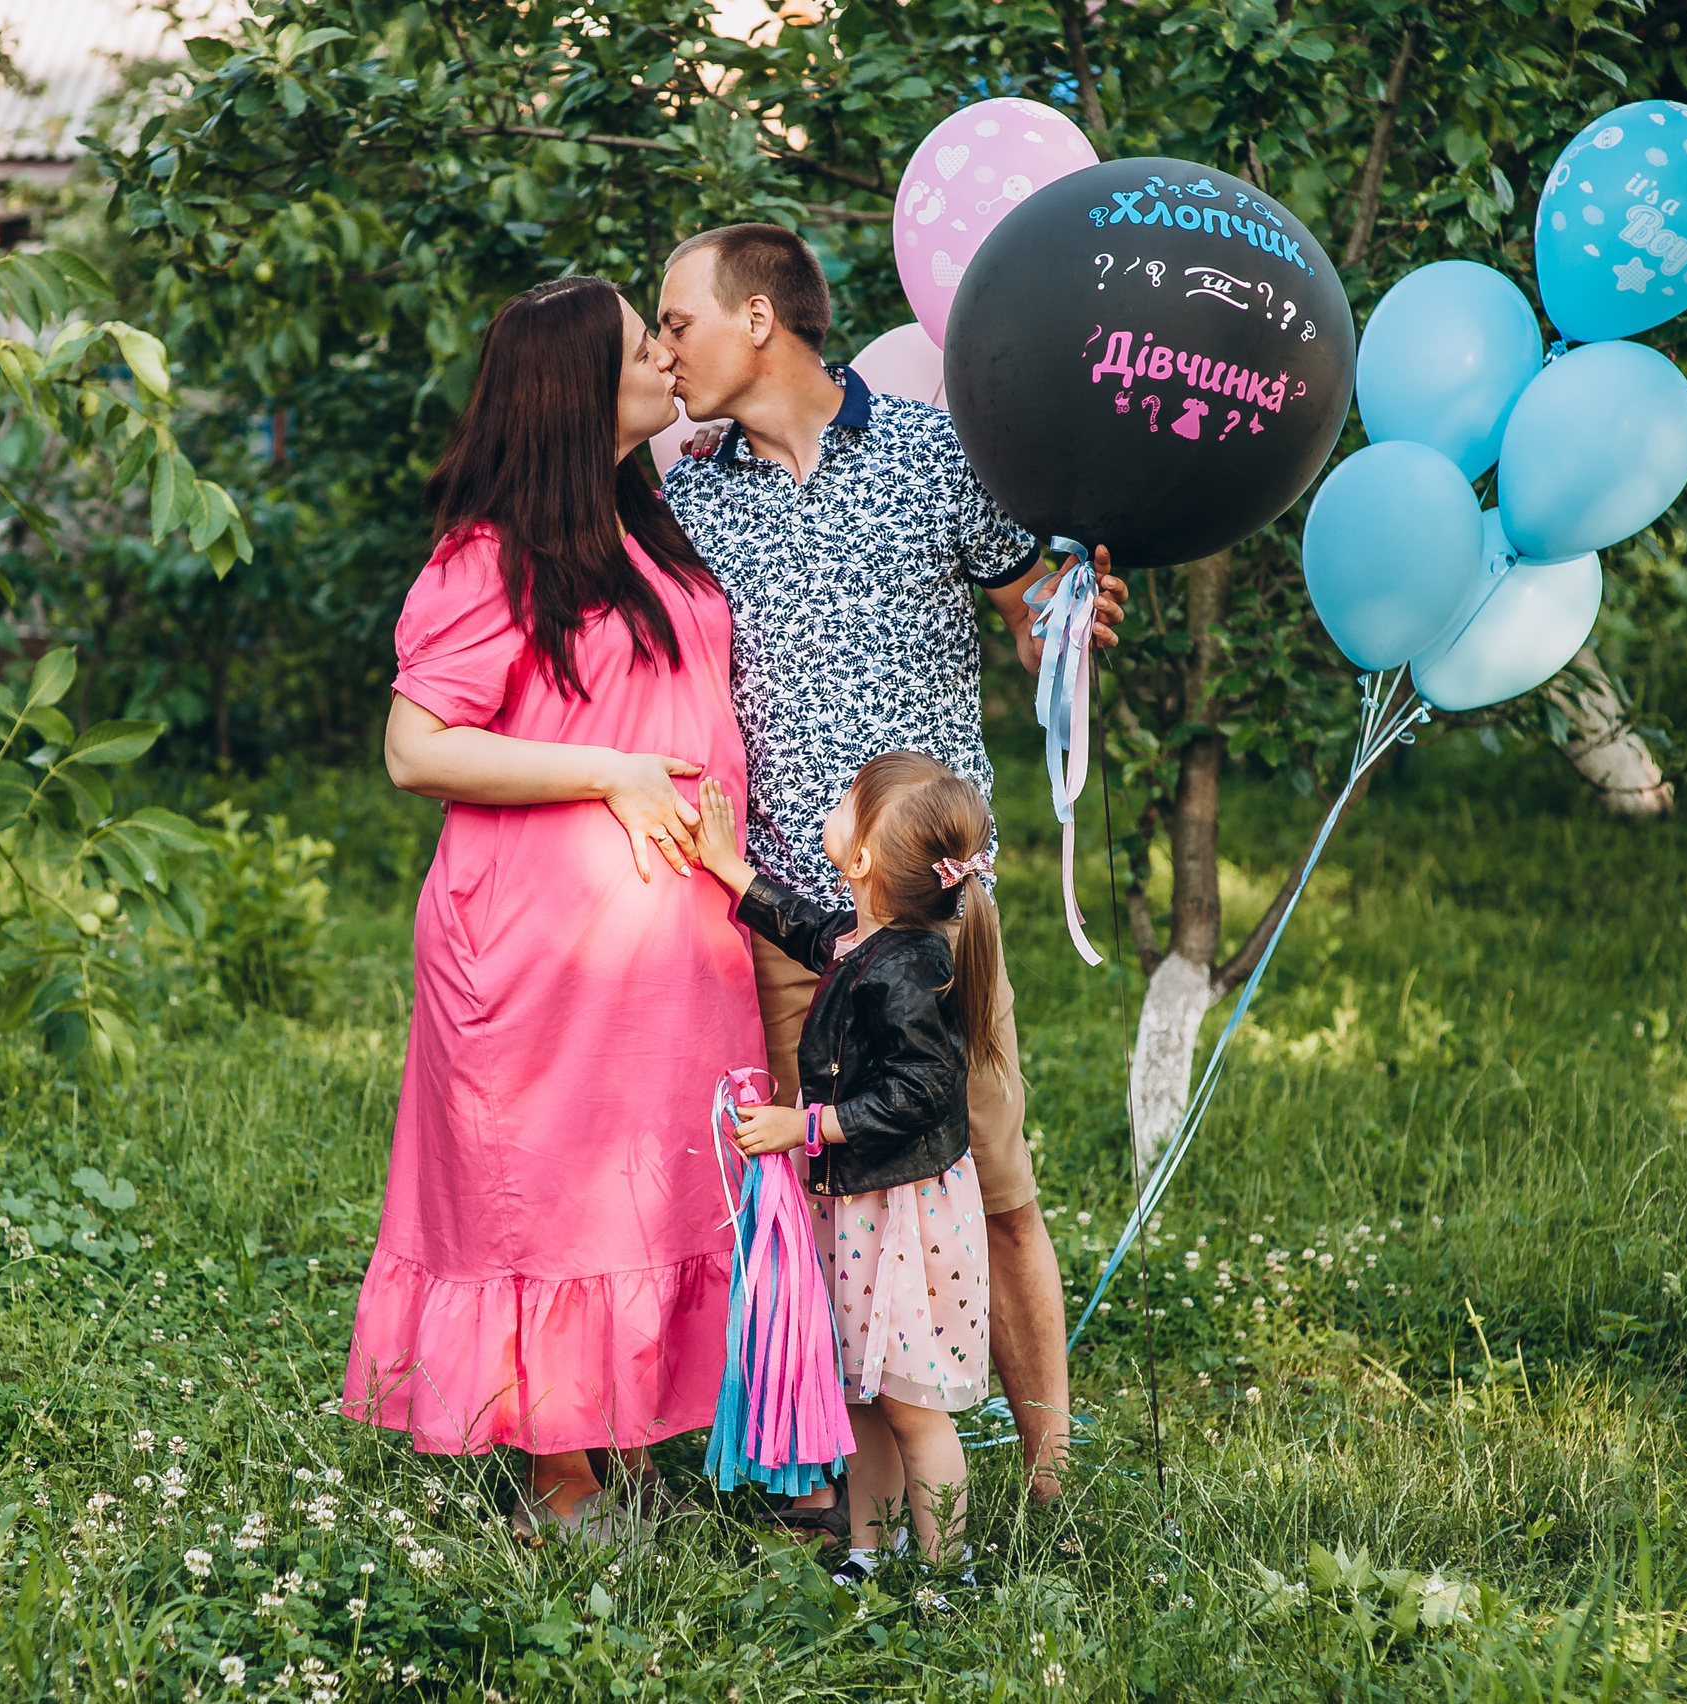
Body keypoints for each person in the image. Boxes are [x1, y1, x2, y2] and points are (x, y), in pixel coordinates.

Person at [655, 223, 1126, 1508]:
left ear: (760, 320)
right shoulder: (688, 497)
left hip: (929, 918)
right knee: (803, 1201)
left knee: (993, 1179)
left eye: (678, 320)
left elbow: (1036, 611)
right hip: (777, 918)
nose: (665, 349)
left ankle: (1048, 1476)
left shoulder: (933, 454)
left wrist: (1064, 631)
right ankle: (829, 1488)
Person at [341, 277, 763, 1542]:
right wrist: (613, 772)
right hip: (541, 938)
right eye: (647, 344)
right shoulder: (494, 551)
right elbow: (417, 749)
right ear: (582, 385)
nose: (668, 357)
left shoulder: (647, 524)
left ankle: (627, 1436)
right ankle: (559, 1472)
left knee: (655, 1184)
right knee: (556, 1191)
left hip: (671, 932)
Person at [689, 753, 1002, 1582]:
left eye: (842, 804)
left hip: (901, 1220)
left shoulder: (908, 969)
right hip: (860, 1211)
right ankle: (870, 1548)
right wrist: (732, 870)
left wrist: (808, 1124)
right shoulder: (867, 940)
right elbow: (804, 929)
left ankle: (947, 1573)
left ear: (860, 858)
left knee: (913, 1405)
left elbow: (924, 1093)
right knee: (861, 1393)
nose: (828, 808)